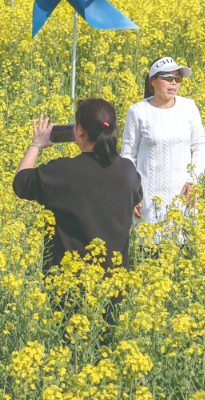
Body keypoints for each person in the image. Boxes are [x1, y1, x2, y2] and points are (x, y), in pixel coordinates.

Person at [14, 99, 142, 278]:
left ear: (80, 131)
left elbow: (20, 182)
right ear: (113, 131)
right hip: (113, 290)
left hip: (67, 290)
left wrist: (36, 144)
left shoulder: (62, 171)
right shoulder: (128, 171)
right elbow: (135, 197)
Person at [120, 57, 205, 231]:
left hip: (184, 195)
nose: (173, 83)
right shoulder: (137, 111)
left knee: (181, 252)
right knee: (149, 252)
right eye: (167, 78)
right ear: (152, 80)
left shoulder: (189, 107)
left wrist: (194, 181)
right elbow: (128, 156)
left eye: (178, 79)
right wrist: (132, 193)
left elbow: (199, 145)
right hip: (147, 198)